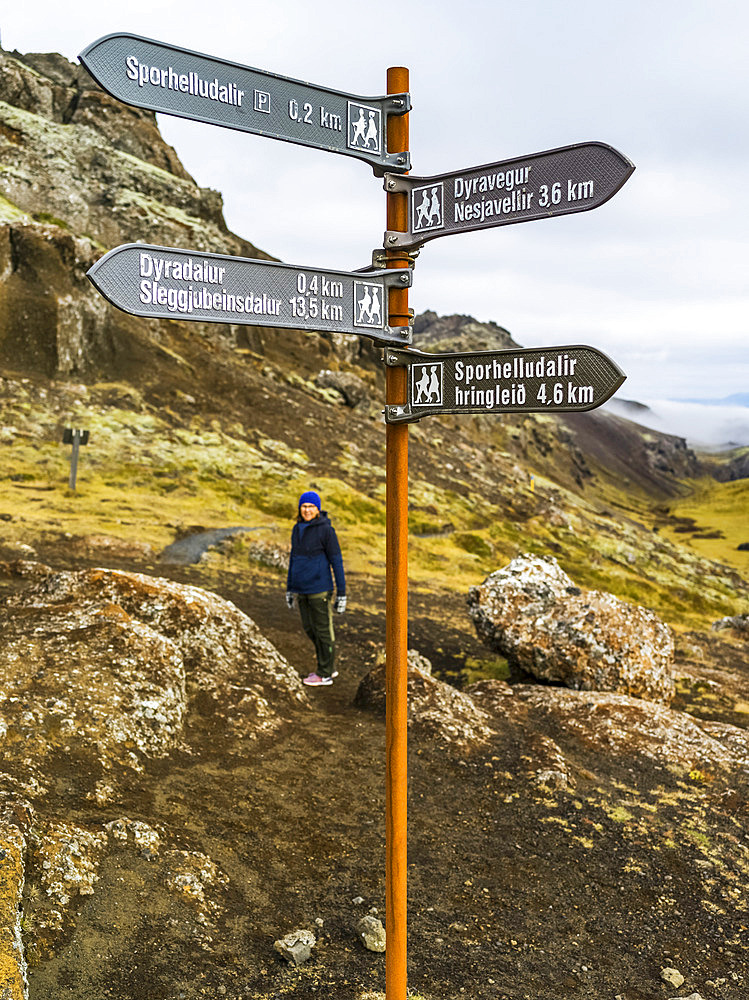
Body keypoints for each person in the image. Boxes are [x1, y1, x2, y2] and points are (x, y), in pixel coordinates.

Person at [286, 490, 346, 686]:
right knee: (309, 629)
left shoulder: (326, 530)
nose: (307, 510)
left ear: (318, 509)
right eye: (304, 506)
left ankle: (325, 673)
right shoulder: (297, 529)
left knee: (323, 631)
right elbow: (294, 559)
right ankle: (328, 665)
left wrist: (342, 593)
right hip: (301, 589)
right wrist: (289, 588)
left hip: (319, 589)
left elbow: (336, 561)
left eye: (311, 506)